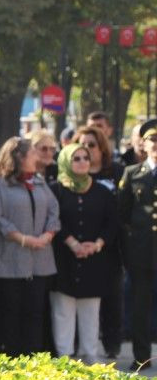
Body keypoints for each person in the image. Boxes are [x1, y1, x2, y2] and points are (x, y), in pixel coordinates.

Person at [0, 136, 60, 356]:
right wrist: (23, 239)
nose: (38, 156)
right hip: (8, 262)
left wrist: (48, 234)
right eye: (33, 152)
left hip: (39, 261)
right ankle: (10, 361)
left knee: (34, 314)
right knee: (9, 315)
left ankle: (31, 361)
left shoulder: (38, 181)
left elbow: (54, 209)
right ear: (18, 156)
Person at [48, 143, 116, 363]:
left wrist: (96, 244)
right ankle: (65, 360)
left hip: (94, 260)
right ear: (66, 161)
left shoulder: (102, 192)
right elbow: (53, 219)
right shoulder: (56, 189)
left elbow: (112, 223)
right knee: (63, 313)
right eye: (76, 158)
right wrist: (72, 243)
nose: (82, 162)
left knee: (90, 315)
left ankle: (90, 359)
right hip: (64, 259)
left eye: (85, 158)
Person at [77, 124, 125, 357]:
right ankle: (83, 345)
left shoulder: (115, 172)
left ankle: (112, 343)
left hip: (109, 245)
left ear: (102, 148)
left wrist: (101, 240)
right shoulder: (74, 173)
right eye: (83, 145)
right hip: (78, 246)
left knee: (111, 296)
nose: (87, 149)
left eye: (92, 145)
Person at [118, 123, 157, 372]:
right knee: (141, 307)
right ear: (143, 144)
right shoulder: (132, 173)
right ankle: (142, 356)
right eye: (153, 140)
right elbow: (123, 215)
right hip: (143, 252)